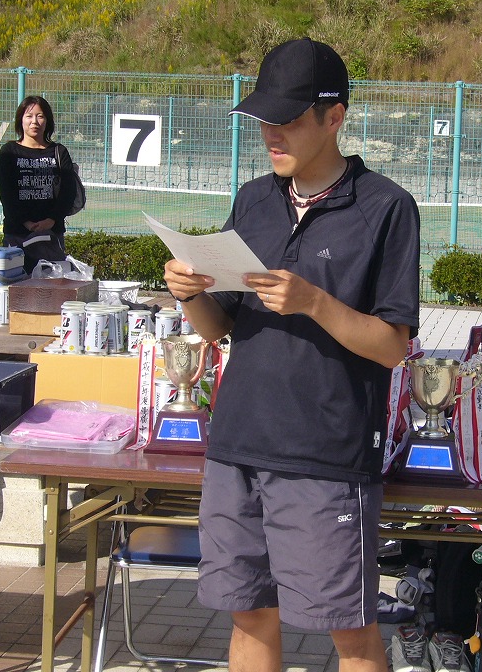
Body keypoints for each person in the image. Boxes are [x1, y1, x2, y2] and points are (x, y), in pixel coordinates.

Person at [164, 38, 420, 672]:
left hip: (325, 455)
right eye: (264, 120)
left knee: (349, 630)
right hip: (237, 444)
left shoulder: (385, 207)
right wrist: (189, 294)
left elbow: (393, 347)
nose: (271, 134)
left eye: (288, 120)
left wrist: (315, 303)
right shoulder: (254, 199)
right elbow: (221, 329)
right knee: (249, 615)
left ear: (334, 117)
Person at [0, 95, 76, 274]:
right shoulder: (9, 152)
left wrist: (51, 220)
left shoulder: (59, 151)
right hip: (17, 234)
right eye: (29, 116)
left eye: (40, 116)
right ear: (21, 120)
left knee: (51, 285)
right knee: (17, 284)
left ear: (47, 121)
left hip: (52, 235)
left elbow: (68, 192)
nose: (34, 121)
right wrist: (26, 222)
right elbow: (6, 193)